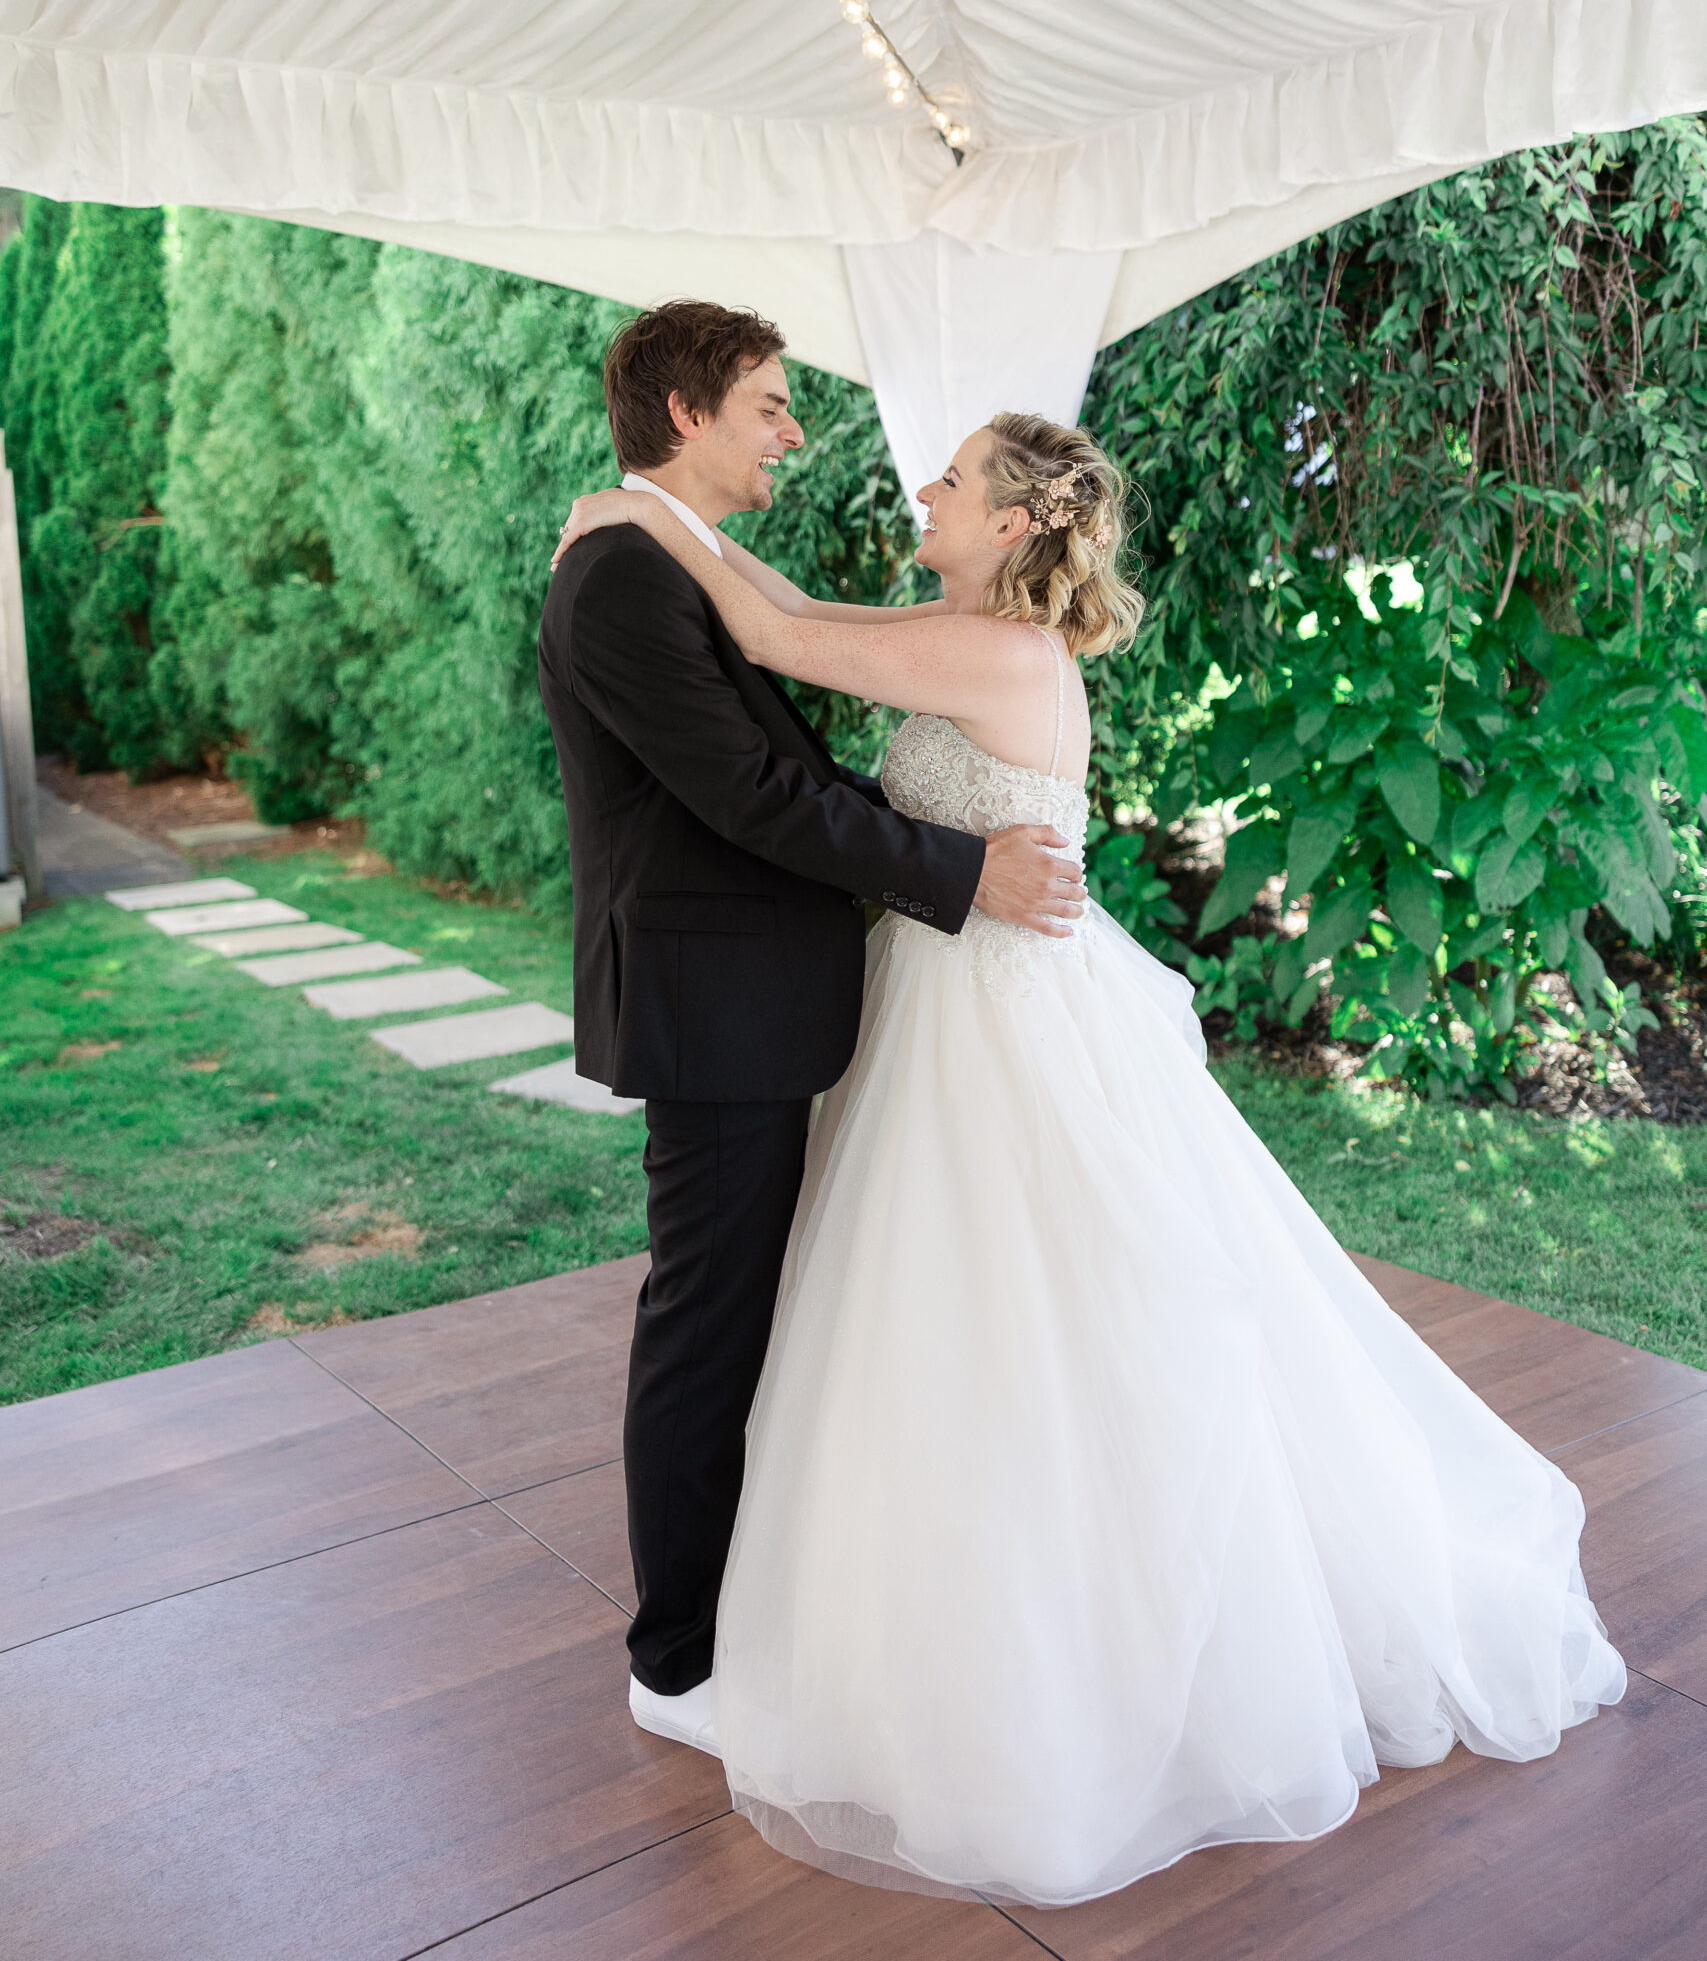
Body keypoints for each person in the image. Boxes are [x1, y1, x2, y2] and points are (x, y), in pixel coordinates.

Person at [554, 405, 1626, 1909]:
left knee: (1009, 1318)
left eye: (949, 477)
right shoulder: (957, 625)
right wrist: (654, 518)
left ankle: (1043, 1646)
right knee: (941, 1317)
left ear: (1009, 523)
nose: (918, 488)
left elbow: (763, 627)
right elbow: (790, 607)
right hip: (950, 993)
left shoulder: (995, 657)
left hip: (991, 1017)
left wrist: (625, 515)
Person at [536, 302, 1084, 1759]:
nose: (795, 430)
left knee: (765, 1316)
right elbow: (752, 797)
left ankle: (751, 1607)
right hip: (714, 1011)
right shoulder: (621, 580)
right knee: (707, 1325)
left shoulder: (653, 556)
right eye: (770, 405)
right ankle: (679, 1661)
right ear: (685, 413)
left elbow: (779, 649)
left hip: (762, 1003)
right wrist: (965, 875)